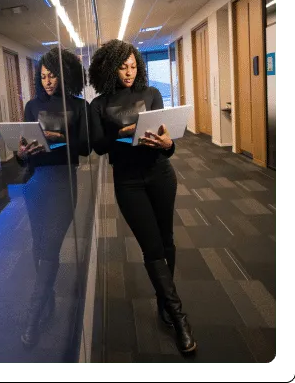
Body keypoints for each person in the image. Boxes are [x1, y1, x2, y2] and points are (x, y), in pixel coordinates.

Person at [88, 39, 197, 354]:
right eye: (123, 67)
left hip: (160, 174)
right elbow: (98, 145)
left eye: (134, 66)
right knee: (151, 248)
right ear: (110, 68)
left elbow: (168, 141)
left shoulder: (152, 94)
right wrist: (122, 133)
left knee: (167, 241)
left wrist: (166, 144)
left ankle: (164, 302)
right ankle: (179, 319)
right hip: (128, 182)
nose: (129, 72)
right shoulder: (99, 105)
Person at [16, 47, 90, 347]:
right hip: (35, 182)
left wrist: (60, 138)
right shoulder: (31, 106)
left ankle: (33, 316)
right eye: (43, 76)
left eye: (53, 75)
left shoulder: (78, 106)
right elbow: (23, 155)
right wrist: (21, 153)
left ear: (65, 75)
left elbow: (86, 148)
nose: (48, 81)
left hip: (63, 182)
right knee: (38, 246)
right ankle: (48, 302)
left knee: (49, 247)